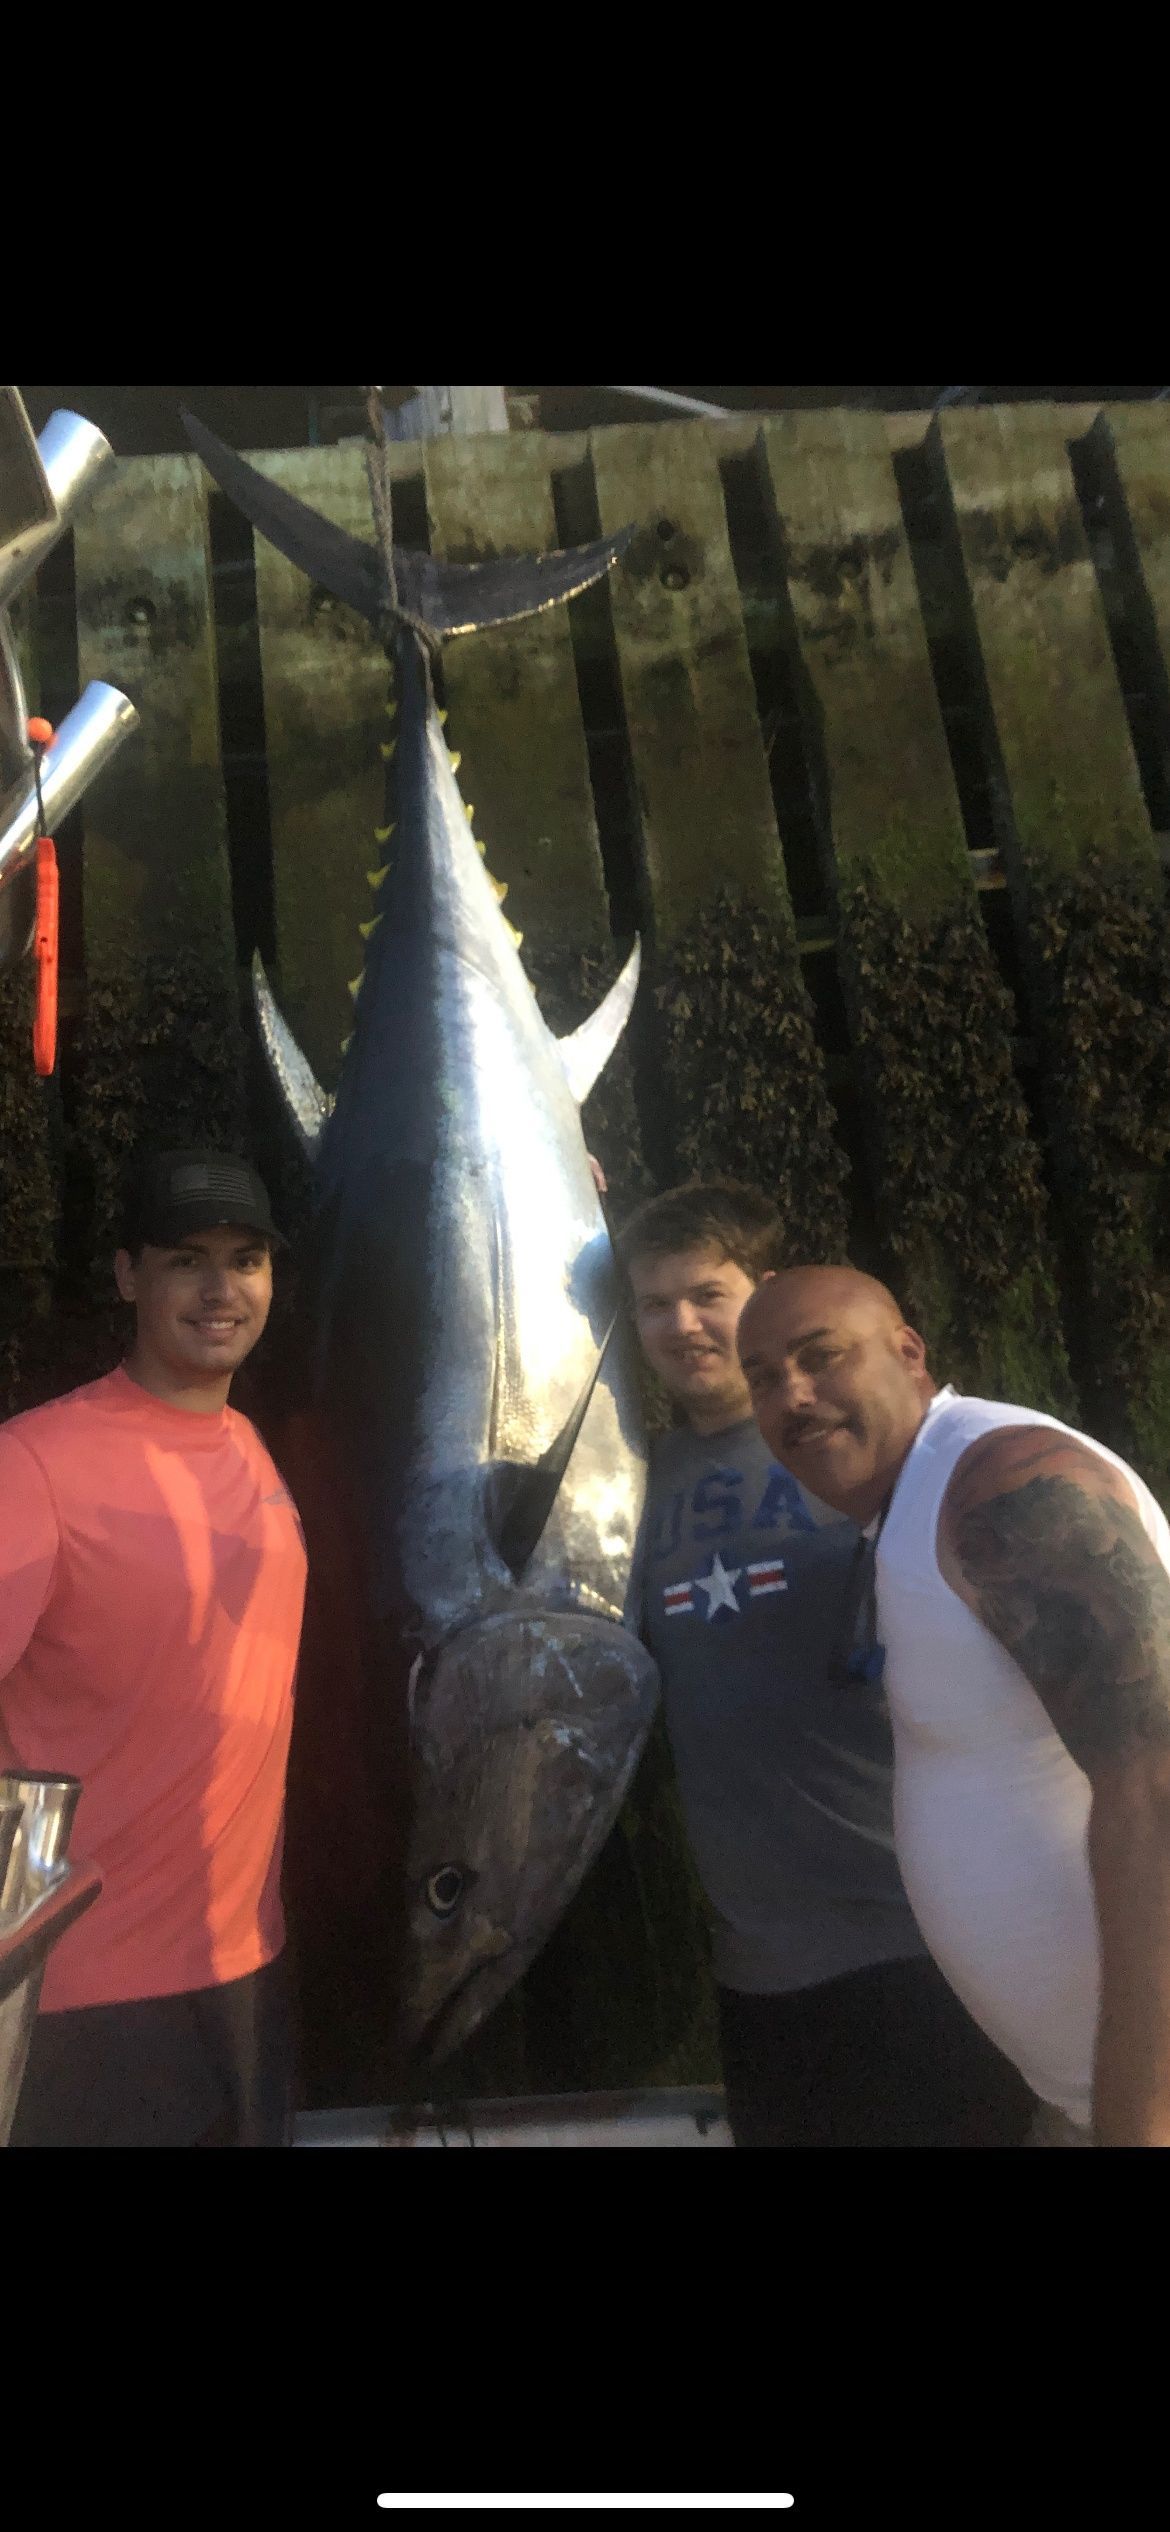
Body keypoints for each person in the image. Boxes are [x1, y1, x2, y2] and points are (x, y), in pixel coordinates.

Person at [619, 1182, 1031, 2147]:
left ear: (763, 1294)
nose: (681, 1325)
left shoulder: (867, 1455)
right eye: (651, 1303)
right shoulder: (632, 1481)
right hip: (759, 1977)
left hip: (927, 1953)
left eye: (706, 1295)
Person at [736, 1261, 1170, 2149]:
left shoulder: (1001, 1481)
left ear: (909, 1354)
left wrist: (1142, 2121)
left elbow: (1160, 1791)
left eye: (822, 1357)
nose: (795, 1397)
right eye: (765, 1378)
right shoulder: (915, 1503)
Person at [0, 1150, 307, 2147]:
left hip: (247, 1975)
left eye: (247, 1259)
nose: (223, 1290)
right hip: (86, 2001)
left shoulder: (254, 1447)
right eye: (188, 1259)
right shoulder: (35, 1465)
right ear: (130, 1274)